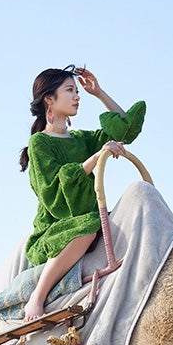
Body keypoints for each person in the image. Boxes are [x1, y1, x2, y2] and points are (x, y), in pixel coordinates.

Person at [18, 65, 146, 320]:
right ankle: (38, 297)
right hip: (58, 225)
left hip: (91, 214)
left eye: (77, 91)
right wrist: (96, 157)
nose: (77, 96)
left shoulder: (81, 139)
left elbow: (125, 130)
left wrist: (99, 93)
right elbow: (53, 192)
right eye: (70, 90)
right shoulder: (39, 143)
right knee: (89, 226)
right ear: (49, 99)